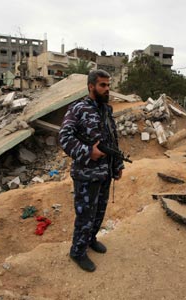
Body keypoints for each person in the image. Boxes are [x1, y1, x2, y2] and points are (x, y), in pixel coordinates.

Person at [59, 70, 124, 272]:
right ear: (91, 87)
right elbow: (64, 138)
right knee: (85, 215)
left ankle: (91, 239)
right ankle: (77, 251)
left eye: (108, 85)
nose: (107, 89)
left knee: (98, 213)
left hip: (104, 173)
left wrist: (117, 166)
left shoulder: (106, 111)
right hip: (86, 174)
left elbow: (112, 140)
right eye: (102, 85)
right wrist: (88, 152)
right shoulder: (78, 109)